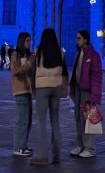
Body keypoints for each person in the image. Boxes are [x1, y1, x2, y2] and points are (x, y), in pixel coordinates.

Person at [30, 28, 68, 166]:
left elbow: (34, 69)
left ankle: (43, 155)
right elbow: (64, 70)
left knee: (41, 121)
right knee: (55, 121)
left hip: (42, 88)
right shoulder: (59, 52)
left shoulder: (39, 51)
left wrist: (33, 87)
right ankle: (57, 155)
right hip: (56, 88)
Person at [69, 29, 102, 159]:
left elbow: (96, 76)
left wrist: (95, 95)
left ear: (86, 39)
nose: (77, 41)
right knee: (78, 118)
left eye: (79, 38)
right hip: (78, 90)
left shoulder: (93, 55)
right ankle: (81, 145)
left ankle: (90, 148)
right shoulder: (79, 54)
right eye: (76, 38)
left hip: (87, 92)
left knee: (88, 120)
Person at [10, 31, 34, 157]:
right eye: (27, 40)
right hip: (20, 91)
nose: (29, 43)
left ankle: (23, 145)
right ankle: (18, 147)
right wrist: (29, 65)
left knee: (28, 120)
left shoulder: (29, 56)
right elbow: (15, 71)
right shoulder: (15, 54)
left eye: (30, 40)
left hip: (28, 91)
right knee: (22, 120)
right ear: (22, 41)